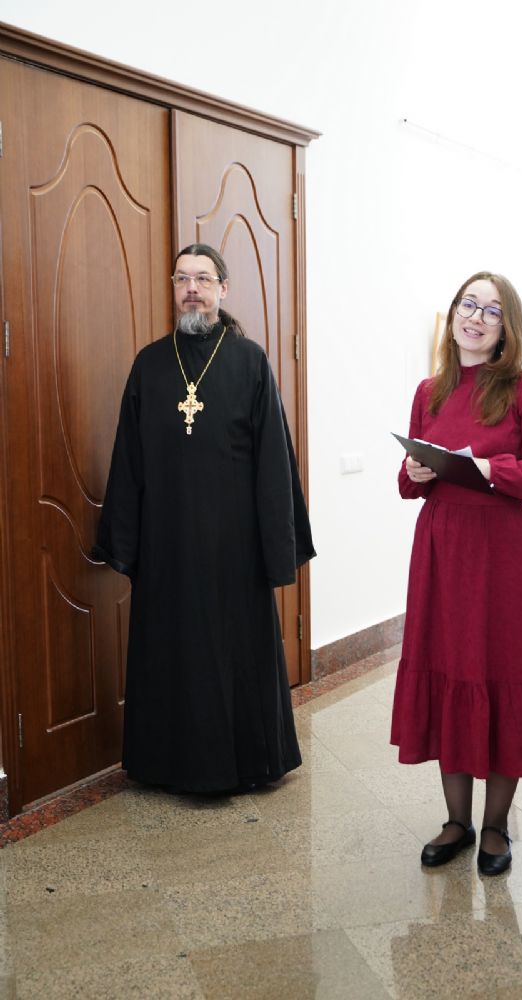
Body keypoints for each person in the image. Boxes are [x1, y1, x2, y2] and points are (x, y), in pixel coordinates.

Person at [93, 243, 315, 794]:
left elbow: (273, 462)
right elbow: (128, 459)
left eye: (203, 278)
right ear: (173, 288)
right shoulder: (149, 365)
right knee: (172, 652)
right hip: (165, 541)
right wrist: (124, 541)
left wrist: (275, 546)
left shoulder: (250, 361)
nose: (191, 288)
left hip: (232, 546)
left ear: (223, 289)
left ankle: (248, 764)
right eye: (182, 279)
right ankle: (164, 765)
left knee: (232, 652)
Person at [391, 271, 522, 876]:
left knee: (500, 672)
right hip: (442, 553)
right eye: (468, 304)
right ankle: (456, 822)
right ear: (452, 315)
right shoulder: (430, 390)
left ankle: (494, 827)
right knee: (450, 670)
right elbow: (409, 480)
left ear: (506, 328)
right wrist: (414, 473)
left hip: (503, 556)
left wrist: (493, 469)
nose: (475, 317)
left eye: (491, 311)